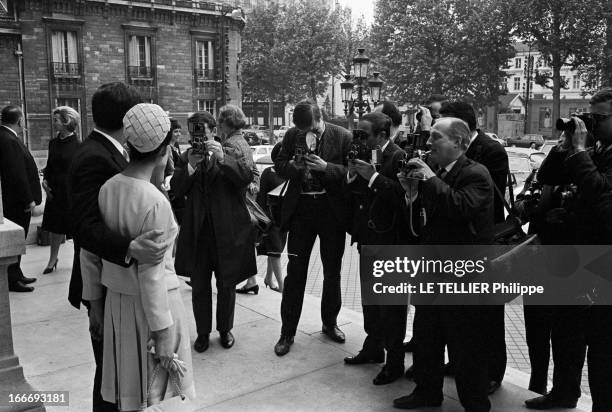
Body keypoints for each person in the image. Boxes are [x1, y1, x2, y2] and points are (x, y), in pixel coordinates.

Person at [81, 103, 195, 411]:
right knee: (155, 395)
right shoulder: (154, 201)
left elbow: (89, 252)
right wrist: (163, 332)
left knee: (126, 391)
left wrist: (94, 302)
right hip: (151, 311)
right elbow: (152, 275)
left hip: (116, 302)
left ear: (128, 144)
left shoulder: (107, 188)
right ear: (165, 150)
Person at [68, 82, 172, 412]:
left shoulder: (106, 157)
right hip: (122, 290)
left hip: (109, 287)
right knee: (119, 381)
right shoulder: (96, 158)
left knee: (116, 378)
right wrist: (130, 247)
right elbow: (86, 232)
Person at [394, 117, 494, 411]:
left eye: (436, 137)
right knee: (427, 338)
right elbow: (422, 222)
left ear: (459, 143)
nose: (427, 143)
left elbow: (459, 207)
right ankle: (427, 392)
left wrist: (429, 178)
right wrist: (411, 193)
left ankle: (475, 404)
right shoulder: (435, 172)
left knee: (466, 347)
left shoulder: (476, 174)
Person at [535, 87, 612, 411]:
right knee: (565, 329)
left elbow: (601, 196)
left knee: (602, 345)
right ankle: (564, 392)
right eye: (590, 116)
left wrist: (580, 153)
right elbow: (548, 176)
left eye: (599, 117)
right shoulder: (594, 147)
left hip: (604, 259)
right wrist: (565, 147)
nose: (591, 123)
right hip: (576, 252)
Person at [437, 101, 510, 394]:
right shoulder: (448, 151)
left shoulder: (491, 151)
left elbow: (484, 201)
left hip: (482, 242)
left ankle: (494, 371)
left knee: (489, 314)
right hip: (456, 243)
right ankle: (458, 362)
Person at [174, 107, 257, 353]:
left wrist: (223, 159)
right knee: (199, 286)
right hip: (198, 234)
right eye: (193, 135)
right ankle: (202, 333)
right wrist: (189, 167)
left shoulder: (229, 150)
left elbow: (245, 179)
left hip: (226, 231)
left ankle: (225, 329)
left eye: (202, 134)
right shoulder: (185, 156)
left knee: (227, 284)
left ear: (214, 131)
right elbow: (177, 190)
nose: (197, 140)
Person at [273, 100, 352, 356]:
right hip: (302, 211)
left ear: (321, 117)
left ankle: (330, 323)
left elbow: (352, 174)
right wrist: (294, 168)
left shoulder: (341, 135)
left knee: (333, 271)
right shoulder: (292, 135)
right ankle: (287, 332)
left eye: (313, 128)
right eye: (303, 129)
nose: (309, 133)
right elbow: (280, 165)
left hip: (331, 212)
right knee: (295, 273)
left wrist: (326, 168)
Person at [343, 112, 414, 385]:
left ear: (382, 135)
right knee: (371, 302)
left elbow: (403, 197)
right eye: (357, 133)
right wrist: (352, 174)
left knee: (392, 309)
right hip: (369, 240)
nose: (358, 139)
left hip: (392, 245)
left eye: (364, 134)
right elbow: (357, 193)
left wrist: (372, 178)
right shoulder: (368, 154)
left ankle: (394, 362)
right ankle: (372, 349)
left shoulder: (399, 156)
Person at [0, 105, 41, 292]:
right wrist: (28, 200)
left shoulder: (8, 137)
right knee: (17, 239)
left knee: (19, 239)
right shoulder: (8, 140)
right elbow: (17, 173)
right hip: (16, 203)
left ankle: (17, 273)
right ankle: (12, 278)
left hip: (15, 201)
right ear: (20, 121)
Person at [41, 106, 81, 274]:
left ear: (66, 121)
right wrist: (45, 181)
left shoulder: (79, 145)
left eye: (56, 119)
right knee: (55, 227)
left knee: (74, 228)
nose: (54, 122)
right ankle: (52, 259)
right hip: (55, 192)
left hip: (71, 193)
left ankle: (77, 262)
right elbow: (49, 166)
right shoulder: (53, 143)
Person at [253, 142, 287, 293]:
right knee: (276, 251)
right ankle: (282, 286)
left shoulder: (290, 172)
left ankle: (268, 278)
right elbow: (260, 198)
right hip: (270, 219)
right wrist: (263, 220)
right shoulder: (268, 172)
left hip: (284, 218)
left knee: (275, 250)